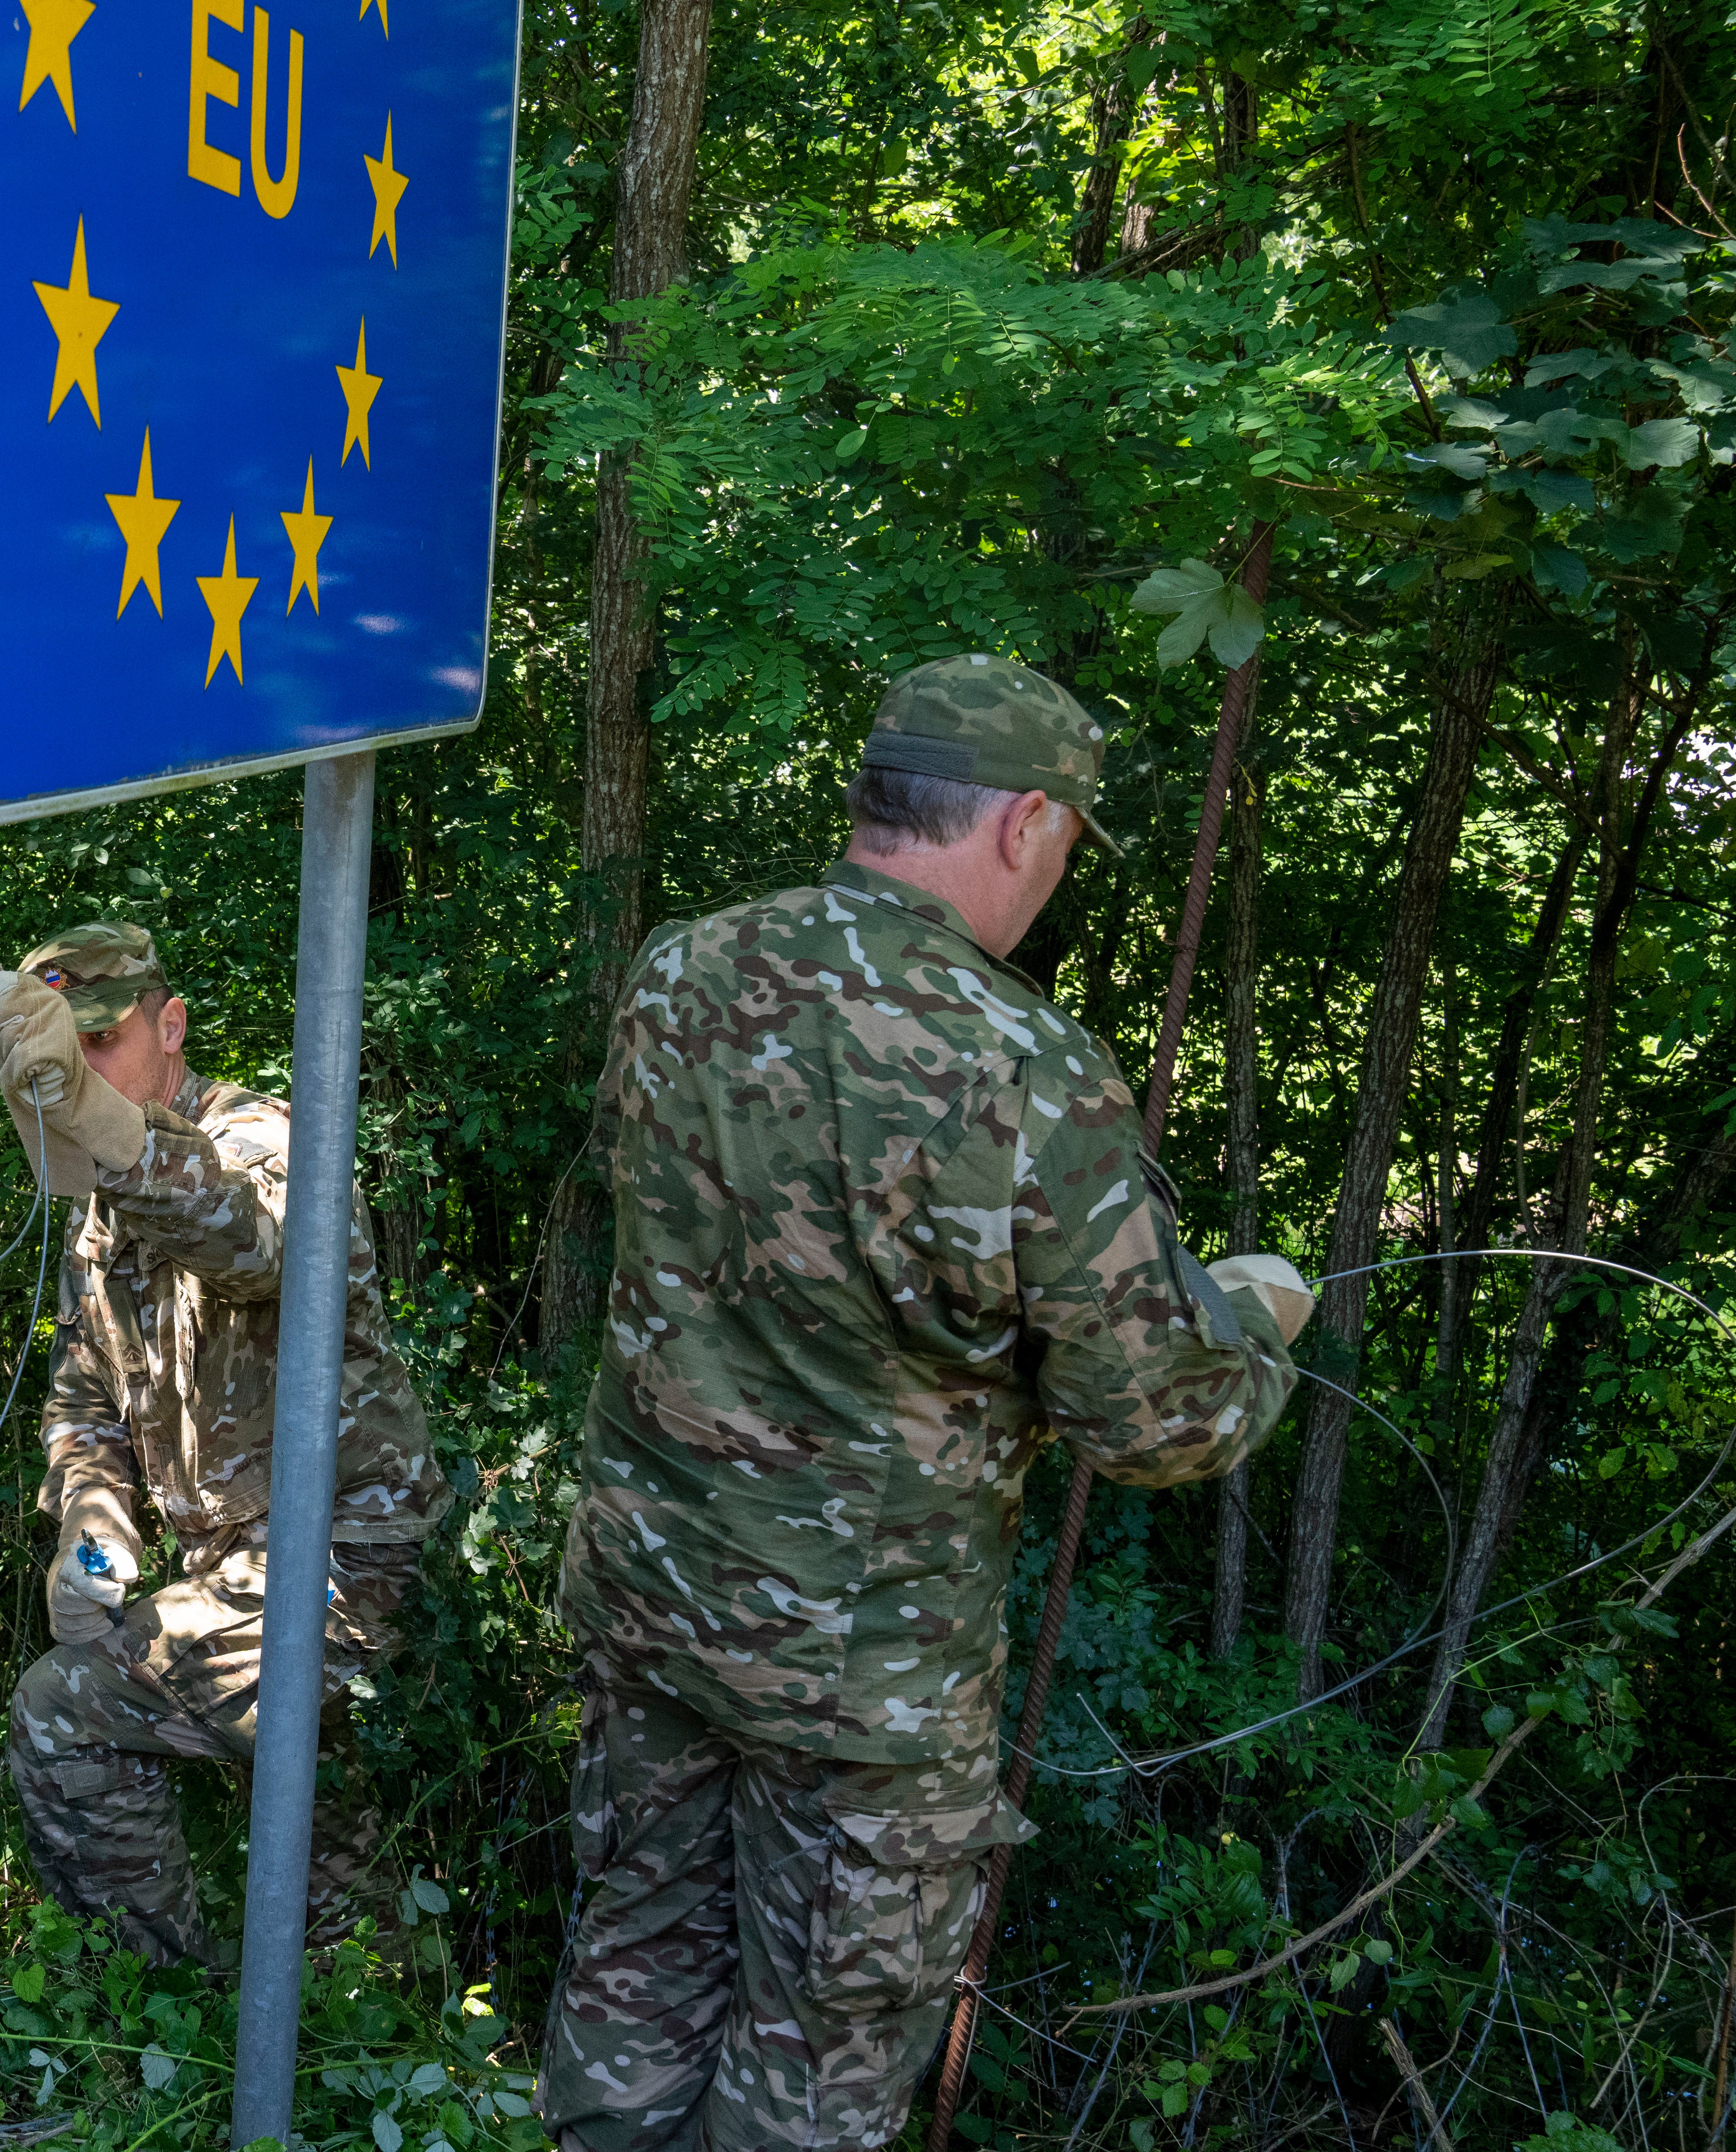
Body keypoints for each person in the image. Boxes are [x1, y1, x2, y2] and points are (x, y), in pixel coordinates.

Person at [538, 655, 1313, 2150]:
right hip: (860, 1682)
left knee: (632, 1981)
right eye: (1069, 844)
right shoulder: (1023, 1067)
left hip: (651, 1606)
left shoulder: (682, 972)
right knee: (814, 2072)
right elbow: (1159, 1419)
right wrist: (1255, 1321)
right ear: (1023, 823)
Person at [0, 922, 452, 1965]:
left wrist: (106, 1127)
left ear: (170, 1026)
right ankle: (361, 2029)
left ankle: (155, 2006)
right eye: (63, 1054)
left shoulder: (258, 1140)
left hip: (344, 1558)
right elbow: (85, 1397)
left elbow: (255, 1245)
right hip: (236, 1565)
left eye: (101, 1040)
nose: (81, 1071)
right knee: (330, 1843)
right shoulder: (98, 1218)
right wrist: (90, 1519)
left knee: (67, 1713)